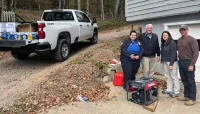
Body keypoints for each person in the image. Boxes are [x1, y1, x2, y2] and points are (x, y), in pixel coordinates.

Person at [177, 25, 199, 106]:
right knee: (184, 80)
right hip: (181, 62)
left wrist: (192, 64)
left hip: (188, 62)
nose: (182, 31)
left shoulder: (192, 40)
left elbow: (196, 53)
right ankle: (186, 96)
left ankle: (192, 98)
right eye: (181, 30)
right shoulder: (179, 40)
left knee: (191, 81)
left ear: (187, 30)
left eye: (184, 30)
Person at [161, 31, 180, 97]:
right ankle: (169, 89)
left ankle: (176, 92)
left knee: (174, 76)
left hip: (172, 62)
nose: (165, 36)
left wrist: (171, 64)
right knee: (168, 76)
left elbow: (174, 54)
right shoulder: (163, 43)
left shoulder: (172, 43)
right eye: (163, 35)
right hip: (165, 62)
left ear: (169, 36)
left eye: (166, 35)